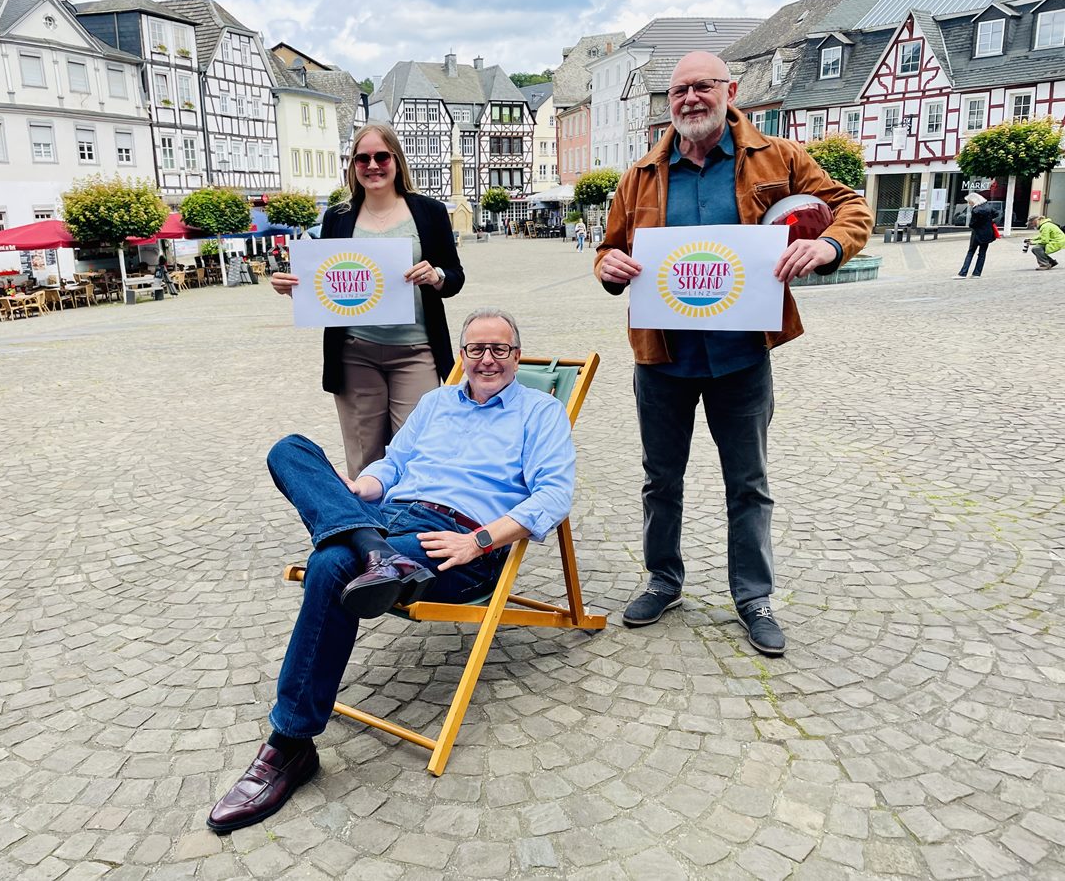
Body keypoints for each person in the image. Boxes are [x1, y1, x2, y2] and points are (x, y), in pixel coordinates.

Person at [207, 308, 574, 832]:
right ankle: (369, 544)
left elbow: (554, 495)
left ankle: (289, 746)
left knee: (331, 564)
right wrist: (361, 489)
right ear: (461, 355)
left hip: (451, 539)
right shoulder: (436, 401)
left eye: (500, 349)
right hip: (387, 517)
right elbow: (392, 466)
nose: (487, 359)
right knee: (290, 449)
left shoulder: (540, 412)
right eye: (476, 349)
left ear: (516, 355)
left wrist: (478, 541)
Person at [594, 51, 873, 656]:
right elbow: (609, 251)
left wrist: (827, 246)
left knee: (748, 482)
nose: (690, 99)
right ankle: (663, 579)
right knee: (659, 479)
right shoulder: (641, 172)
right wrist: (607, 266)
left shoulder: (777, 157)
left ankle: (754, 597)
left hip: (742, 354)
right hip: (661, 357)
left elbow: (852, 208)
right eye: (678, 91)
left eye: (702, 87)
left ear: (729, 90)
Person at [270, 123, 465, 477]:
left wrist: (436, 276)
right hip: (354, 353)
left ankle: (408, 528)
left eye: (381, 156)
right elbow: (330, 279)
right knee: (364, 456)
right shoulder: (338, 217)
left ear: (396, 160)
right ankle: (367, 531)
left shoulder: (429, 212)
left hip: (417, 351)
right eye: (363, 158)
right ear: (353, 165)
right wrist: (296, 287)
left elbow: (455, 276)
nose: (372, 165)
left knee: (415, 452)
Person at [958, 192, 999, 278]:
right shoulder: (988, 207)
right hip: (987, 233)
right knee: (982, 253)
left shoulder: (976, 210)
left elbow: (972, 224)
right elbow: (996, 213)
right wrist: (990, 221)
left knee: (971, 252)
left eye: (970, 202)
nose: (969, 204)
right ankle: (977, 273)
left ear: (974, 201)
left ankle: (963, 272)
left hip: (977, 233)